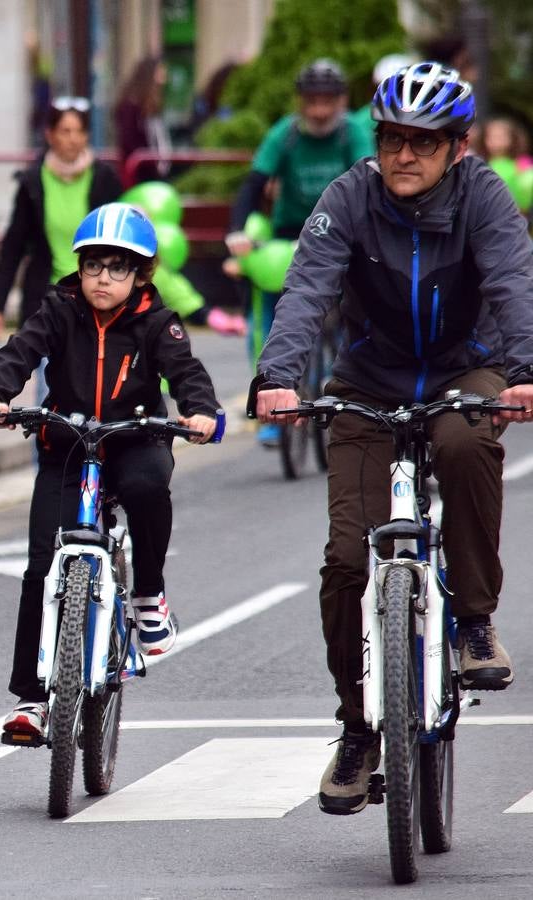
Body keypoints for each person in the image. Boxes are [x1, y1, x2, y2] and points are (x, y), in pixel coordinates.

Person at [248, 62, 533, 816]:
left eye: (423, 142)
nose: (404, 155)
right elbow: (307, 284)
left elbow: (512, 279)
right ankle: (356, 729)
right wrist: (277, 376)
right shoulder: (349, 195)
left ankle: (473, 622)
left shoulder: (485, 198)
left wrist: (526, 370)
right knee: (347, 559)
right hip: (368, 380)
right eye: (392, 139)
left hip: (462, 368)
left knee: (470, 445)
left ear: (457, 149)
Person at [0, 203, 222, 738]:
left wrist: (200, 410)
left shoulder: (157, 321)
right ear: (79, 270)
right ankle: (31, 701)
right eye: (93, 267)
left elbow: (186, 372)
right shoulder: (58, 310)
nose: (103, 279)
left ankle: (148, 593)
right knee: (42, 567)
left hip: (134, 440)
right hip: (67, 442)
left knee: (147, 486)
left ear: (140, 274)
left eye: (117, 268)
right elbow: (21, 351)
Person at [227, 58, 374, 447]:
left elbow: (368, 180)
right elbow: (253, 184)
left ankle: (336, 386)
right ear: (301, 102)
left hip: (343, 230)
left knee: (352, 309)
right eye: (312, 101)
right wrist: (237, 231)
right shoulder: (285, 135)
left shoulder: (352, 134)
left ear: (341, 101)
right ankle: (274, 402)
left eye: (328, 101)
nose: (320, 110)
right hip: (290, 231)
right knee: (279, 309)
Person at [0, 97, 122, 342]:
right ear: (50, 135)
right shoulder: (33, 182)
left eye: (79, 131)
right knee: (49, 378)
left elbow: (122, 244)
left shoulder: (105, 179)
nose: (73, 138)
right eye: (65, 131)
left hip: (97, 298)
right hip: (47, 300)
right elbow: (12, 248)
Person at [115, 56, 171, 184]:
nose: (164, 74)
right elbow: (129, 139)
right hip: (141, 172)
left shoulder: (151, 105)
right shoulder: (132, 105)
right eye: (160, 70)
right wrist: (151, 165)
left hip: (153, 168)